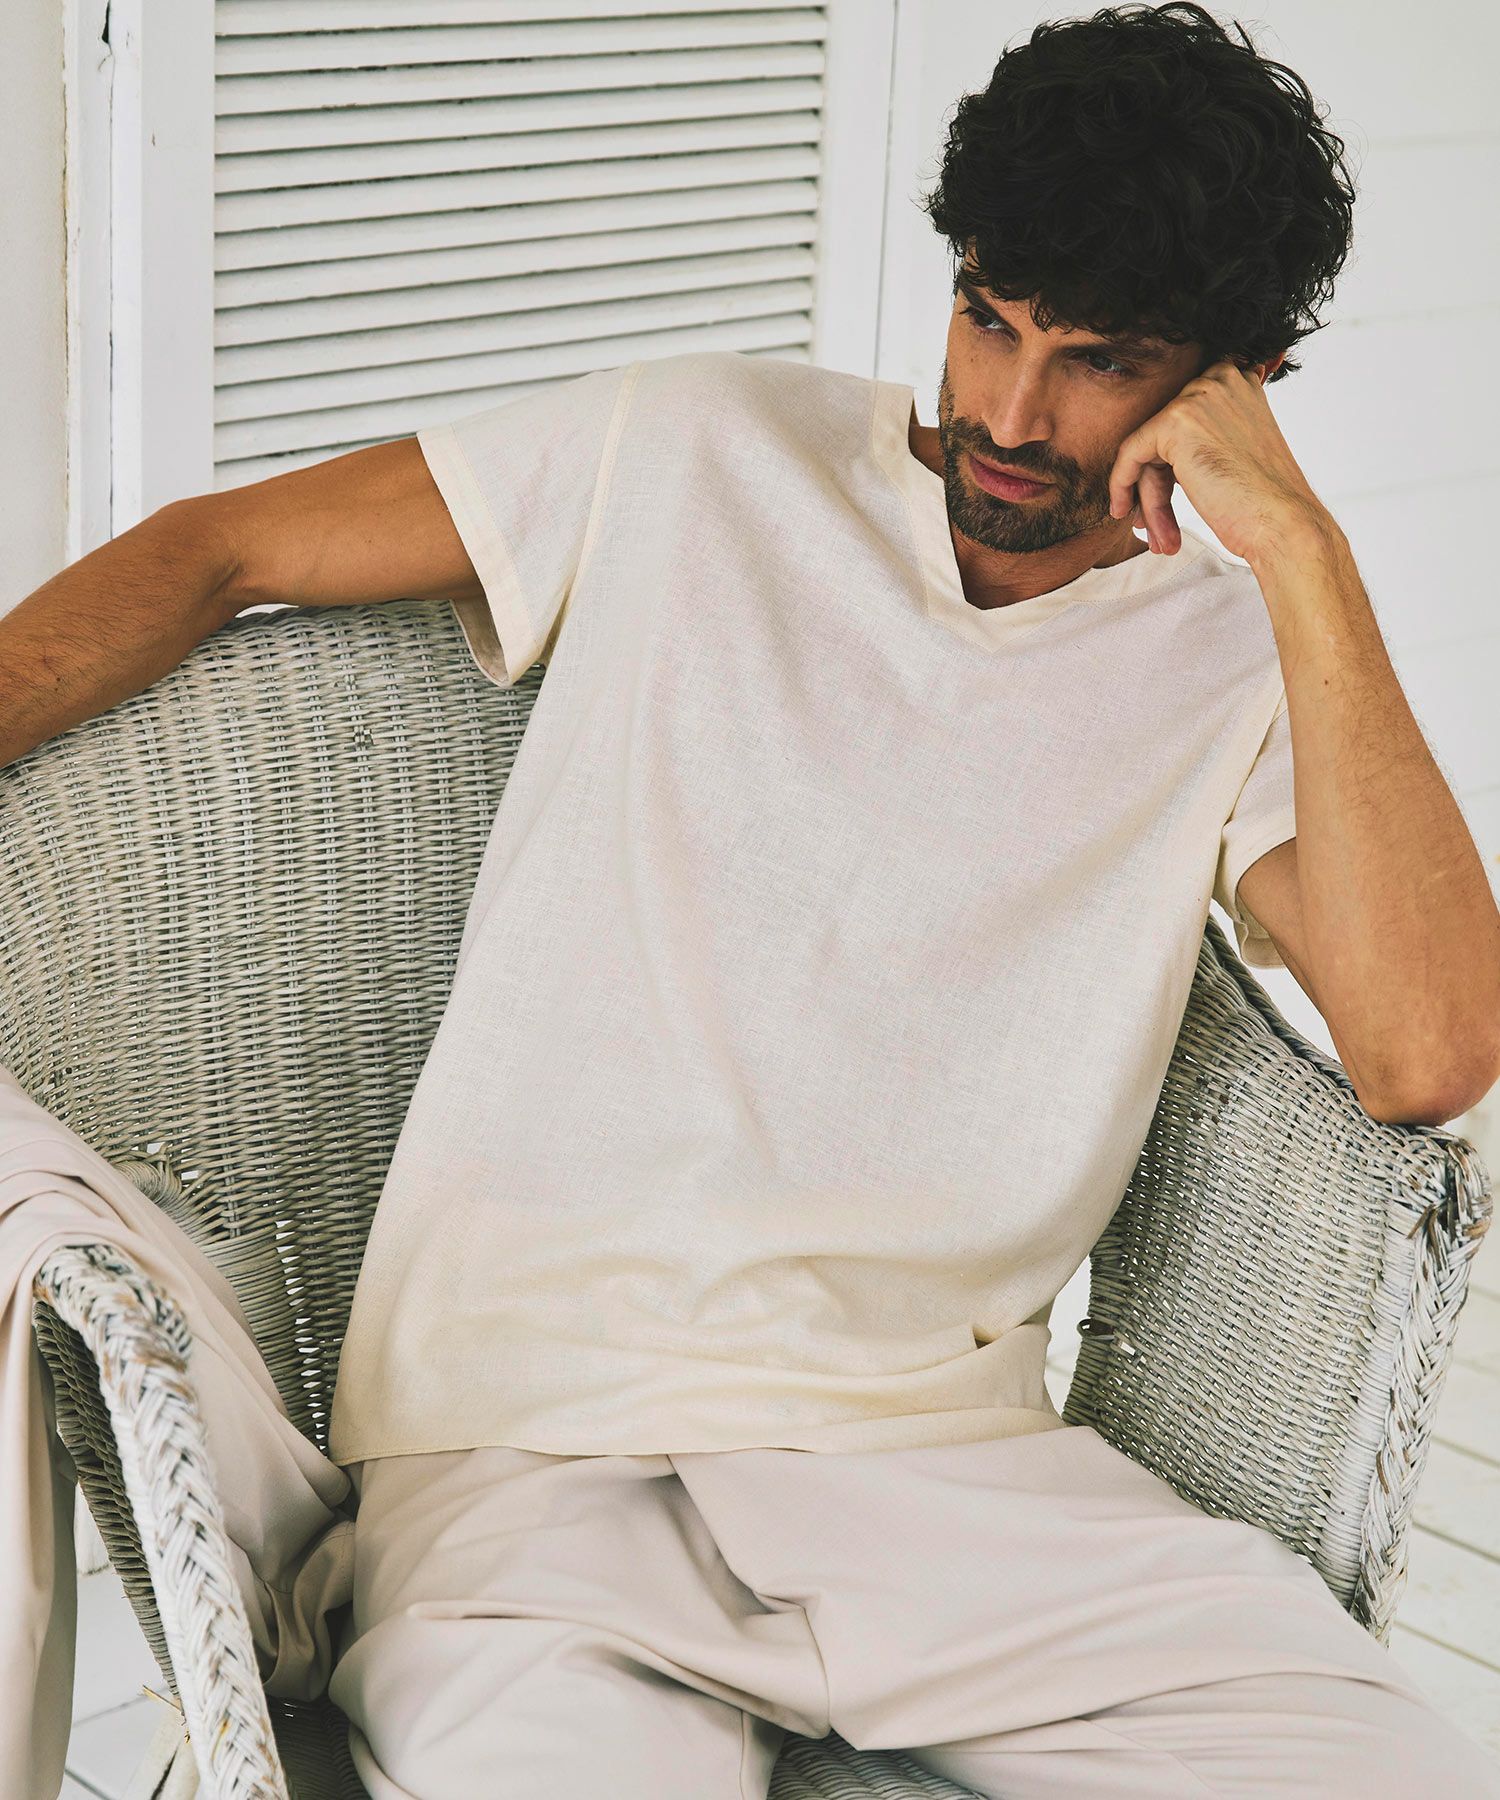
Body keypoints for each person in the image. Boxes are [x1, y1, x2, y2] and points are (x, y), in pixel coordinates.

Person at [6, 4, 1499, 1795]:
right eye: (988, 316)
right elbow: (224, 549)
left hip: (947, 1490)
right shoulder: (702, 445)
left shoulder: (1238, 661)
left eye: (1099, 362)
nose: (1008, 413)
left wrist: (1309, 558)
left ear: (1234, 385)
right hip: (532, 1453)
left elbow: (1425, 1055)